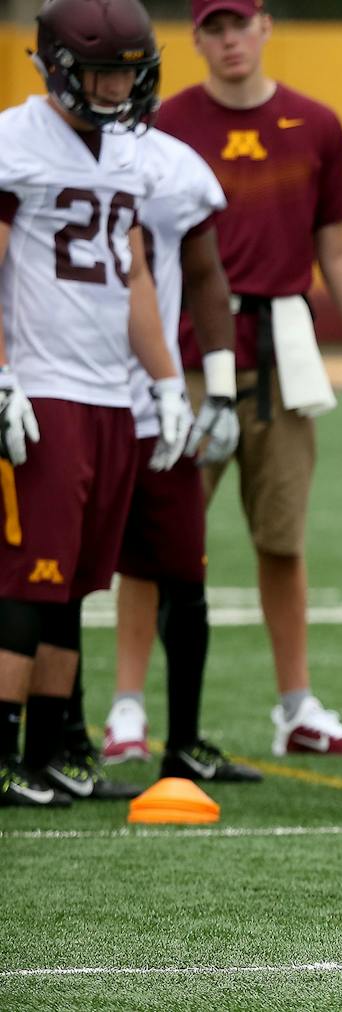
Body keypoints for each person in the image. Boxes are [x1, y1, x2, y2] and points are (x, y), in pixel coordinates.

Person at [150, 0, 342, 759]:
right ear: (194, 38)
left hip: (283, 352)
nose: (230, 41)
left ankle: (296, 704)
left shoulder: (315, 124)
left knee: (282, 538)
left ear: (264, 27)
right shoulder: (163, 126)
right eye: (215, 28)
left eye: (241, 24)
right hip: (189, 351)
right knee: (154, 540)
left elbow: (339, 250)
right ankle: (128, 709)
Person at [0, 0, 191, 806]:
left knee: (77, 582)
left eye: (127, 70)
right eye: (100, 71)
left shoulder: (128, 153)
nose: (116, 87)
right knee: (25, 577)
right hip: (43, 386)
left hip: (110, 390)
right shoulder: (16, 141)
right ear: (54, 67)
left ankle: (48, 751)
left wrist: (169, 379)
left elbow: (135, 272)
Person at [99, 120, 261, 784]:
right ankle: (57, 741)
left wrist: (217, 389)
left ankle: (185, 739)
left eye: (122, 71)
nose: (110, 85)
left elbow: (203, 274)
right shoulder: (26, 151)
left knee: (184, 574)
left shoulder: (173, 166)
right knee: (57, 580)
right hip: (74, 395)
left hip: (158, 400)